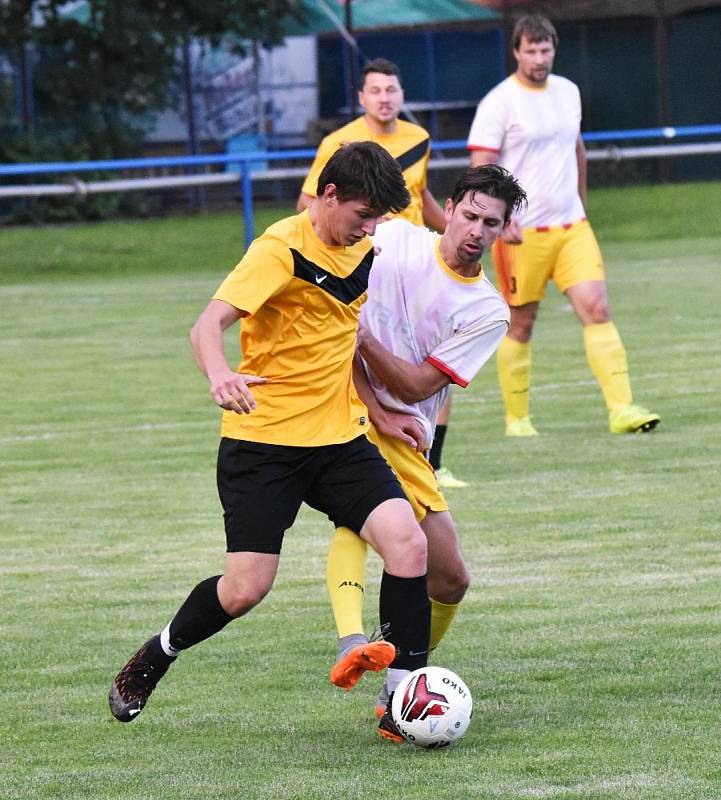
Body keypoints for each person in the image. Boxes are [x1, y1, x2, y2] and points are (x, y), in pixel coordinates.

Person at [108, 142, 432, 743]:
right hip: (264, 443)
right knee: (245, 590)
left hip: (338, 438)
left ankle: (400, 702)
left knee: (409, 546)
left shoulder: (363, 246)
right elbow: (207, 326)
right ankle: (158, 652)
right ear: (328, 195)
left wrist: (380, 409)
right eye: (363, 214)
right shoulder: (277, 250)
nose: (370, 227)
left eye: (378, 219)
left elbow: (346, 330)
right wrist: (220, 375)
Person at [325, 165, 527, 729]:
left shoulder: (488, 311)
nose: (476, 230)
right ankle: (358, 648)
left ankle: (405, 678)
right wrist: (369, 388)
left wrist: (362, 338)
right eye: (469, 215)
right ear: (450, 207)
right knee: (365, 524)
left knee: (451, 577)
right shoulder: (392, 239)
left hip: (402, 424)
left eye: (491, 223)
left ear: (503, 229)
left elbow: (415, 386)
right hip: (340, 402)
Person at [467, 14, 660, 437]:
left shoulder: (568, 92)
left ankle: (622, 409)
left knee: (597, 308)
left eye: (545, 49)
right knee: (521, 322)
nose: (539, 58)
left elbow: (577, 150)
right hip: (522, 235)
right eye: (531, 50)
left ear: (554, 49)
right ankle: (518, 419)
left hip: (572, 227)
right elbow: (482, 166)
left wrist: (583, 208)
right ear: (516, 51)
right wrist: (500, 220)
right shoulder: (499, 102)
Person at [298, 56, 465, 488]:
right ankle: (362, 444)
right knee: (365, 351)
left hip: (416, 266)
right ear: (361, 97)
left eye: (391, 90)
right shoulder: (340, 142)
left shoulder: (419, 138)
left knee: (433, 354)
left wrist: (458, 235)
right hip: (366, 263)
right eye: (375, 91)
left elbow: (422, 195)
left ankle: (433, 459)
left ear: (402, 95)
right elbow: (309, 204)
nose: (384, 98)